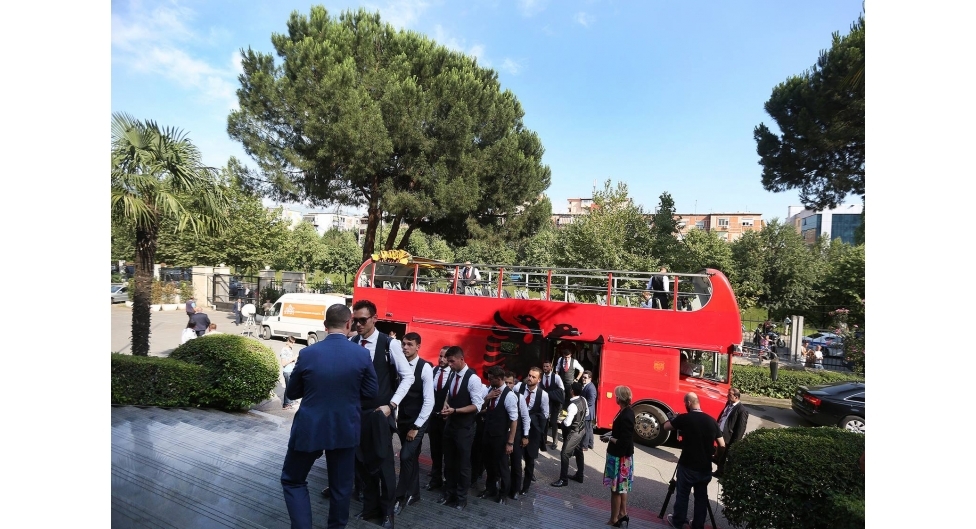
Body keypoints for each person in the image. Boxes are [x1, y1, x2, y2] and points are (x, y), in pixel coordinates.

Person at [280, 304, 378, 529]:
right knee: (341, 488)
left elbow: (292, 392)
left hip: (310, 427)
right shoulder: (362, 354)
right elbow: (372, 393)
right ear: (348, 324)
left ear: (325, 325)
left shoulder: (307, 353)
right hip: (345, 428)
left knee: (293, 480)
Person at [349, 299, 415, 529]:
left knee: (384, 465)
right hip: (357, 414)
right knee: (362, 463)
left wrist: (392, 405)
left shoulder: (389, 344)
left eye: (362, 320)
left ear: (374, 319)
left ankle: (387, 513)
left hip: (379, 414)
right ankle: (370, 508)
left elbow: (408, 376)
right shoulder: (352, 342)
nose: (358, 324)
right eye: (355, 320)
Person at [663, 392, 725, 529]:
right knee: (701, 498)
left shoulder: (685, 418)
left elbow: (666, 427)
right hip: (705, 467)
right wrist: (716, 457)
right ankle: (698, 525)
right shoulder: (711, 421)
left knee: (683, 495)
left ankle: (678, 521)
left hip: (687, 465)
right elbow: (722, 444)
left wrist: (674, 419)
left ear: (688, 403)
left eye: (685, 403)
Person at [436, 346, 485, 511]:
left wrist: (455, 411)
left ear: (461, 359)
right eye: (447, 361)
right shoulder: (452, 374)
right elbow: (449, 395)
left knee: (463, 464)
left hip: (465, 428)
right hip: (450, 426)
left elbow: (477, 406)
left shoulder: (473, 379)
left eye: (452, 361)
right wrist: (446, 406)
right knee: (449, 462)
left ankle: (461, 498)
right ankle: (449, 494)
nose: (449, 364)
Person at [392, 332, 434, 516]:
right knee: (411, 457)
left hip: (418, 420)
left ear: (418, 347)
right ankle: (414, 493)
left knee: (405, 456)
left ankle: (399, 497)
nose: (405, 347)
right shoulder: (398, 364)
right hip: (402, 419)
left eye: (409, 344)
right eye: (403, 344)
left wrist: (416, 427)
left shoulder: (425, 368)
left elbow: (429, 401)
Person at [477, 366, 519, 504]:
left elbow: (514, 420)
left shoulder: (510, 396)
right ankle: (490, 489)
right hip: (487, 434)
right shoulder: (490, 390)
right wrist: (487, 398)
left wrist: (510, 442)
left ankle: (503, 494)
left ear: (499, 379)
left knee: (502, 466)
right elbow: (481, 408)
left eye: (491, 379)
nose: (489, 381)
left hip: (500, 437)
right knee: (489, 464)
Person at [603, 385, 636, 528]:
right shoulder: (626, 411)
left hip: (620, 457)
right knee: (622, 487)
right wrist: (610, 435)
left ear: (620, 398)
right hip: (622, 456)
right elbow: (621, 433)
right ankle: (622, 513)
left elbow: (623, 441)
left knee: (616, 489)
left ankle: (614, 519)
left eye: (616, 395)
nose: (615, 397)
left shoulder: (627, 415)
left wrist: (610, 439)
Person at [550, 382, 587, 487]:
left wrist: (561, 420)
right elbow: (587, 413)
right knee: (579, 452)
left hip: (575, 432)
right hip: (582, 430)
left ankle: (563, 479)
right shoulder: (583, 400)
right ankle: (580, 475)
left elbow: (567, 423)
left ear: (572, 391)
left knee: (564, 454)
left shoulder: (572, 405)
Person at [425, 346, 451, 492]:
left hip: (447, 420)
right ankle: (435, 479)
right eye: (440, 356)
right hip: (433, 418)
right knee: (435, 450)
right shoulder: (433, 371)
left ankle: (447, 480)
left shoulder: (453, 375)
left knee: (447, 451)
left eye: (445, 357)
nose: (441, 359)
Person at [503, 371, 532, 500]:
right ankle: (504, 488)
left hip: (517, 435)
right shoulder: (499, 394)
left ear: (514, 384)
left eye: (510, 383)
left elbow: (525, 417)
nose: (508, 385)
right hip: (502, 434)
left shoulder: (519, 397)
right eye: (505, 382)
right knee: (502, 464)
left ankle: (515, 490)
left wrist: (525, 435)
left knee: (516, 464)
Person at [713, 387, 748, 478]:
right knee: (719, 452)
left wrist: (735, 443)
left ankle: (720, 472)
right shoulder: (728, 403)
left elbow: (741, 429)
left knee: (723, 455)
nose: (727, 396)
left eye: (730, 395)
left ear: (736, 397)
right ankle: (718, 465)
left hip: (728, 437)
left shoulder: (742, 410)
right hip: (720, 432)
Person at [540, 360, 565, 450]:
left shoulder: (556, 377)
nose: (545, 368)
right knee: (545, 421)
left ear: (551, 367)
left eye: (547, 366)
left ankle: (555, 442)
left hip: (555, 403)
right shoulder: (541, 377)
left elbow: (562, 389)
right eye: (544, 366)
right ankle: (544, 440)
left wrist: (550, 394)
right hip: (545, 403)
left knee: (554, 422)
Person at [279, 337, 298, 410]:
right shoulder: (284, 350)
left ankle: (290, 401)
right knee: (288, 388)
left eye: (293, 342)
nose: (293, 344)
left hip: (291, 370)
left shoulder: (290, 349)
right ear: (287, 341)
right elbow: (283, 363)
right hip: (287, 371)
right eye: (291, 342)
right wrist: (293, 359)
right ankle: (286, 404)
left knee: (291, 387)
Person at [581, 371, 597, 450]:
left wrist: (583, 406)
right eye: (583, 377)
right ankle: (590, 444)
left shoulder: (590, 388)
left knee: (586, 429)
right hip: (589, 412)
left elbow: (591, 401)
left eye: (585, 378)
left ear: (590, 378)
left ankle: (585, 446)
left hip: (588, 412)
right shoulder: (587, 385)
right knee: (589, 428)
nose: (583, 379)